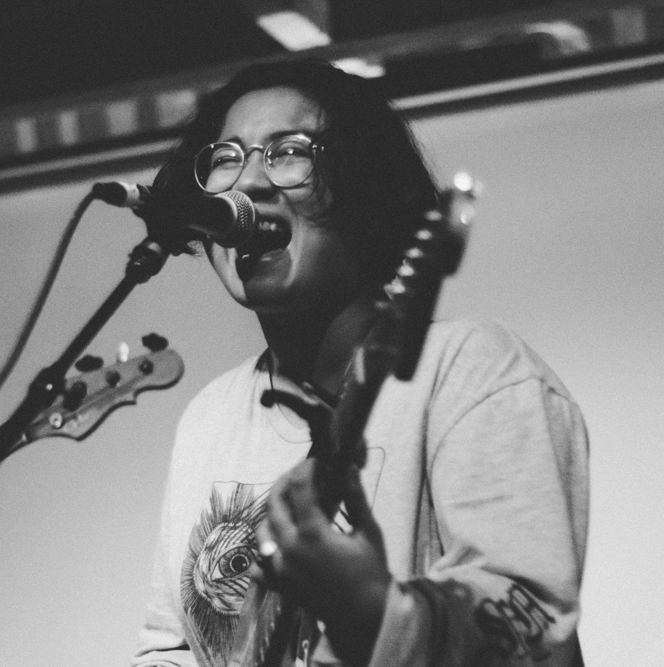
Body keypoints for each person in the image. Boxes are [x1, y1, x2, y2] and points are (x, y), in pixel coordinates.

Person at [133, 59, 589, 667]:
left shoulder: (472, 371)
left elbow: (530, 631)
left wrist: (372, 609)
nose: (247, 183)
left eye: (288, 152)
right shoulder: (209, 418)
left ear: (365, 191)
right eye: (226, 158)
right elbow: (170, 647)